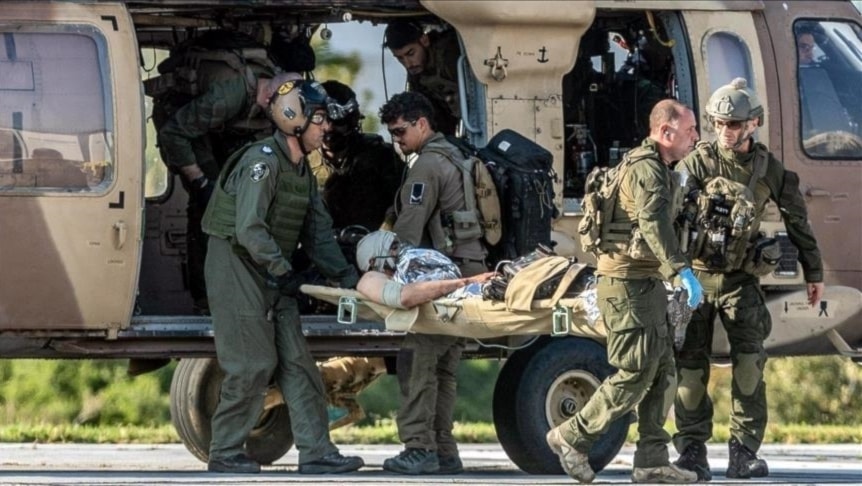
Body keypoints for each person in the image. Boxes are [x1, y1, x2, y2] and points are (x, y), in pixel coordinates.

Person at [201, 79, 364, 475]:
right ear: (295, 119)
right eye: (320, 119)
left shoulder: (300, 171)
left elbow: (318, 233)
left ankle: (317, 452)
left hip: (273, 272)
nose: (326, 129)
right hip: (237, 266)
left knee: (298, 363)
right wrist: (283, 271)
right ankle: (224, 452)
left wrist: (348, 280)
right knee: (252, 363)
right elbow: (249, 229)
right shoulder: (262, 162)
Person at [672, 78, 825, 481]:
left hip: (740, 281)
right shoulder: (696, 163)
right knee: (688, 369)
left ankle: (743, 452)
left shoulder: (768, 170)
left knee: (749, 367)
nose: (726, 130)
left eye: (735, 124)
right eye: (720, 123)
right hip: (696, 281)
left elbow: (798, 221)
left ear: (753, 123)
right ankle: (691, 452)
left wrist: (815, 272)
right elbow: (666, 214)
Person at [545, 99, 703, 484]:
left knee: (662, 370)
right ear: (665, 132)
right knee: (634, 371)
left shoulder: (655, 166)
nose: (696, 137)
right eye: (689, 130)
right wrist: (680, 269)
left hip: (643, 282)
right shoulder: (647, 171)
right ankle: (571, 435)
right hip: (627, 286)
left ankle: (651, 460)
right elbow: (652, 224)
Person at [375, 91, 488, 475]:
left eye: (401, 131)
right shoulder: (458, 156)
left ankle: (419, 448)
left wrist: (384, 268)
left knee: (418, 362)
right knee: (444, 367)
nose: (397, 140)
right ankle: (443, 450)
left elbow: (408, 229)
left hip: (443, 276)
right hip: (469, 271)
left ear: (422, 124)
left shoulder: (426, 166)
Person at [154, 38, 305, 314]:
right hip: (179, 121)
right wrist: (199, 182)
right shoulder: (228, 97)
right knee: (208, 206)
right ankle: (205, 301)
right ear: (271, 99)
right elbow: (173, 133)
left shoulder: (267, 101)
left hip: (214, 128)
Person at [317, 80, 403, 231]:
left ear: (352, 122)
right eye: (321, 120)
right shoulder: (303, 160)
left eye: (337, 121)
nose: (328, 128)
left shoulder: (380, 158)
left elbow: (401, 205)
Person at [354, 230, 493, 310]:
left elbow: (405, 296)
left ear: (373, 262)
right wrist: (468, 281)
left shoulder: (409, 261)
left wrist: (467, 282)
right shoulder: (415, 257)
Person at [384, 20, 461, 135]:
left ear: (424, 41)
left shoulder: (450, 55)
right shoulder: (417, 72)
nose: (408, 64)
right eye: (400, 58)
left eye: (411, 53)